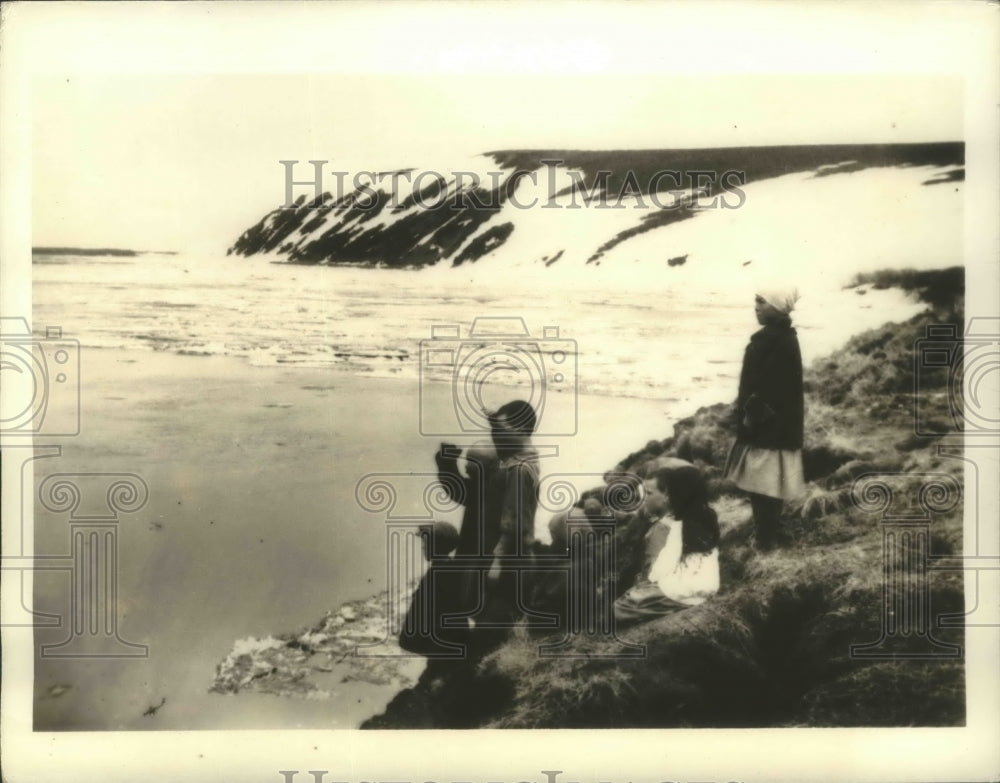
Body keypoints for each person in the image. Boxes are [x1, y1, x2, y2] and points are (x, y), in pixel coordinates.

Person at [723, 285, 806, 549]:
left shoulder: (775, 341)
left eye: (762, 301)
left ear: (778, 306)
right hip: (773, 426)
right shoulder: (779, 338)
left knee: (763, 485)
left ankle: (766, 540)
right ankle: (767, 534)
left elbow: (770, 388)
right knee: (766, 484)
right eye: (756, 301)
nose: (756, 307)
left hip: (768, 427)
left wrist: (750, 421)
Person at [614, 460, 720, 623]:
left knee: (618, 608)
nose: (644, 498)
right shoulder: (704, 516)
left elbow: (662, 565)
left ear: (671, 495)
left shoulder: (672, 525)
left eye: (649, 493)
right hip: (706, 585)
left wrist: (648, 583)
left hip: (683, 591)